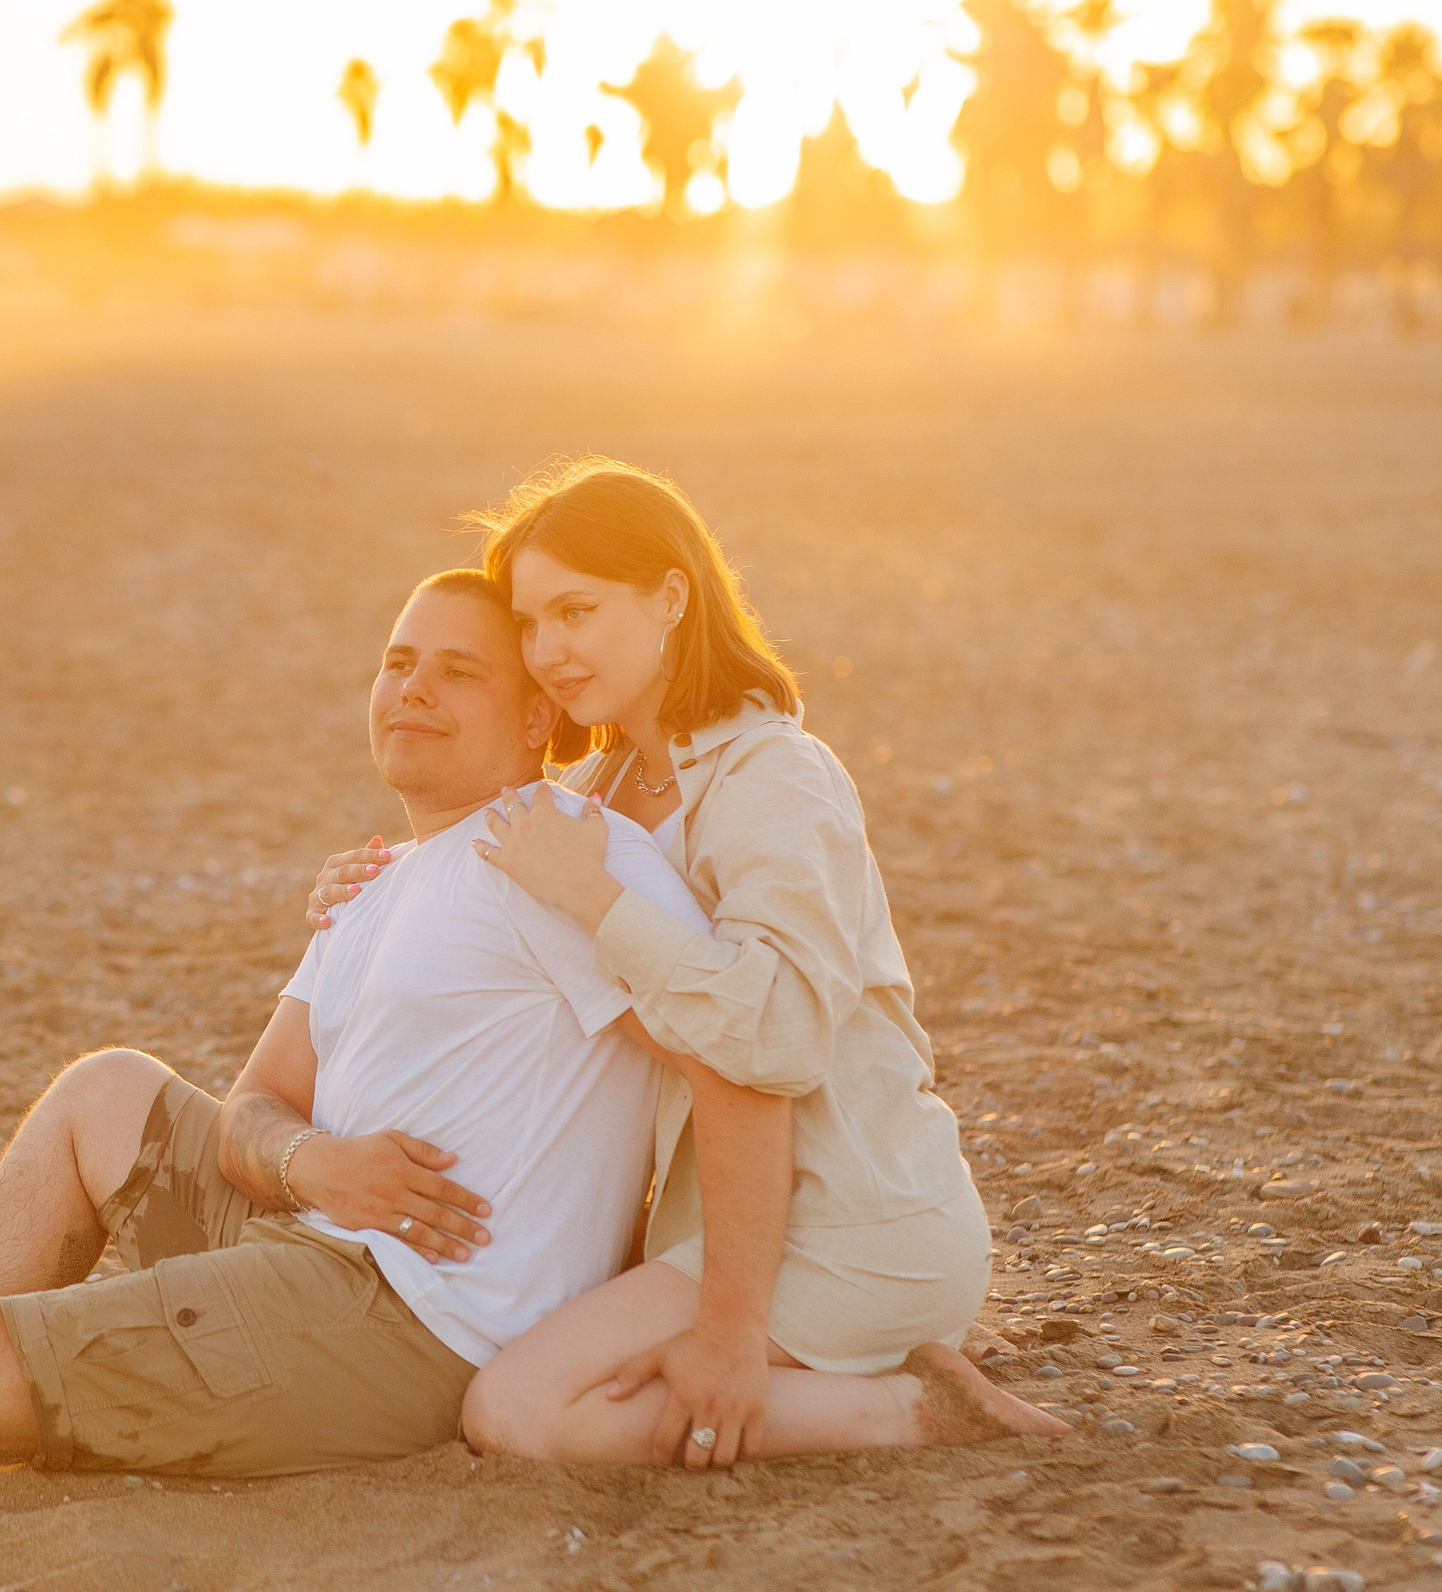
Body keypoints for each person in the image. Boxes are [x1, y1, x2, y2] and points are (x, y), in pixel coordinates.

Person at [0, 569, 1033, 1523]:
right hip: (316, 1231)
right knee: (105, 1089)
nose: (410, 690)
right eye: (391, 660)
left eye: (459, 672)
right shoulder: (381, 883)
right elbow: (259, 1101)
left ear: (538, 719)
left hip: (402, 1316)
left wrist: (730, 1322)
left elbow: (743, 1066)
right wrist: (309, 1161)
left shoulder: (569, 865)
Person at [309, 459, 1068, 1470]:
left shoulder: (777, 780)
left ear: (671, 597)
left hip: (850, 1222)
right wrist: (363, 889)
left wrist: (726, 1332)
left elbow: (778, 1038)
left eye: (576, 611)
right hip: (706, 1225)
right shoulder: (599, 784)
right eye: (531, 625)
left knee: (522, 1416)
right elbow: (470, 870)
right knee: (504, 1392)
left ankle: (906, 1410)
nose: (549, 652)